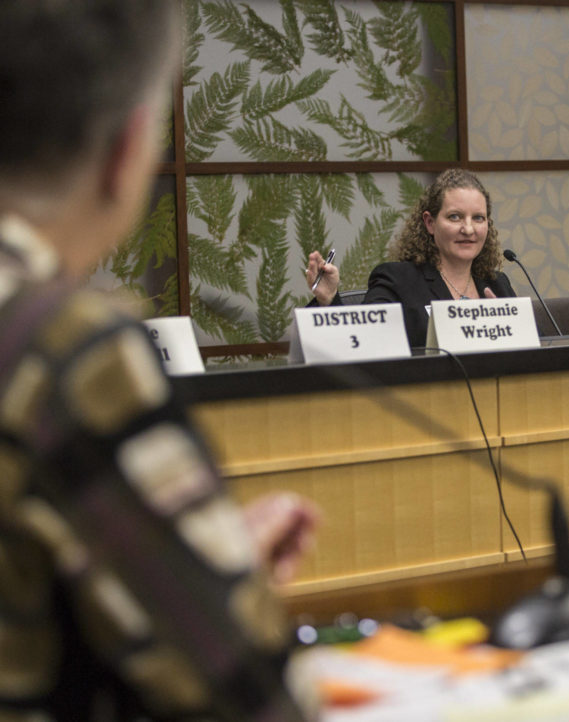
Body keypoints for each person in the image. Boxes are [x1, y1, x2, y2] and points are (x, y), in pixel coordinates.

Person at [0, 2, 317, 720]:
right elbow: (249, 697)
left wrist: (188, 551)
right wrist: (219, 585)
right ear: (126, 150)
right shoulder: (67, 349)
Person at [306, 168, 516, 346]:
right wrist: (329, 300)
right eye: (455, 217)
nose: (468, 229)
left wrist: (508, 332)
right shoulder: (399, 281)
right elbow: (362, 343)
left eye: (478, 218)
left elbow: (538, 349)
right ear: (430, 223)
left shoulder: (497, 285)